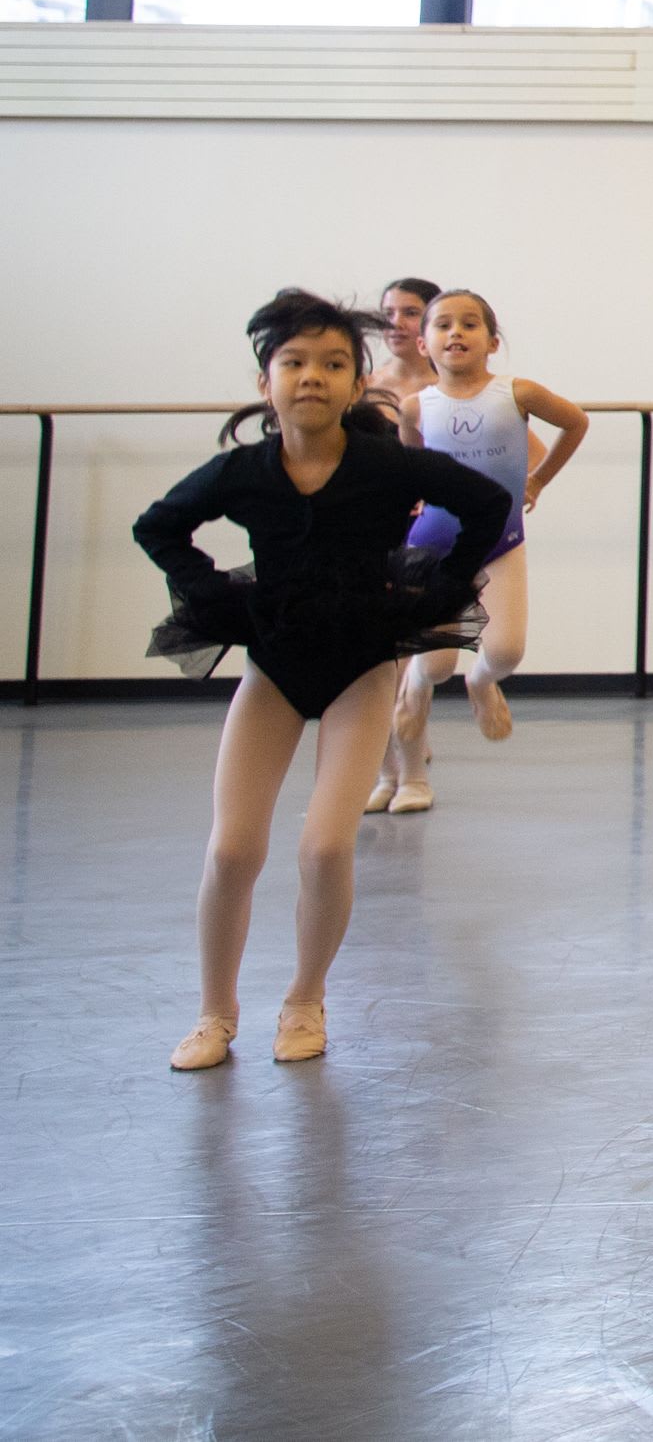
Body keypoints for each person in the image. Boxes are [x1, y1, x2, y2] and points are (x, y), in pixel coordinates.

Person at [133, 290, 513, 1071]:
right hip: (274, 664)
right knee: (233, 849)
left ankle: (305, 998)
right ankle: (215, 1011)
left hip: (360, 667)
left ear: (355, 379)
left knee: (324, 844)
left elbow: (485, 502)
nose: (313, 377)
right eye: (295, 363)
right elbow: (158, 525)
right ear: (267, 379)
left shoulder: (386, 465)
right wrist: (211, 590)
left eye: (334, 364)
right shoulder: (244, 472)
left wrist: (435, 586)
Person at [372, 288, 587, 812]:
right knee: (432, 664)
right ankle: (417, 704)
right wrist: (412, 502)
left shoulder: (518, 393)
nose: (456, 334)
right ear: (424, 344)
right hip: (435, 545)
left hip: (500, 540)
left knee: (506, 651)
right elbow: (412, 464)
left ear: (493, 341)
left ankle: (483, 683)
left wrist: (536, 481)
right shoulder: (415, 407)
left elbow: (576, 423)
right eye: (443, 325)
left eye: (470, 325)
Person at [376, 278, 440, 420]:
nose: (396, 323)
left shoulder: (451, 390)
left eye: (411, 313)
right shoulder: (362, 387)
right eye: (388, 314)